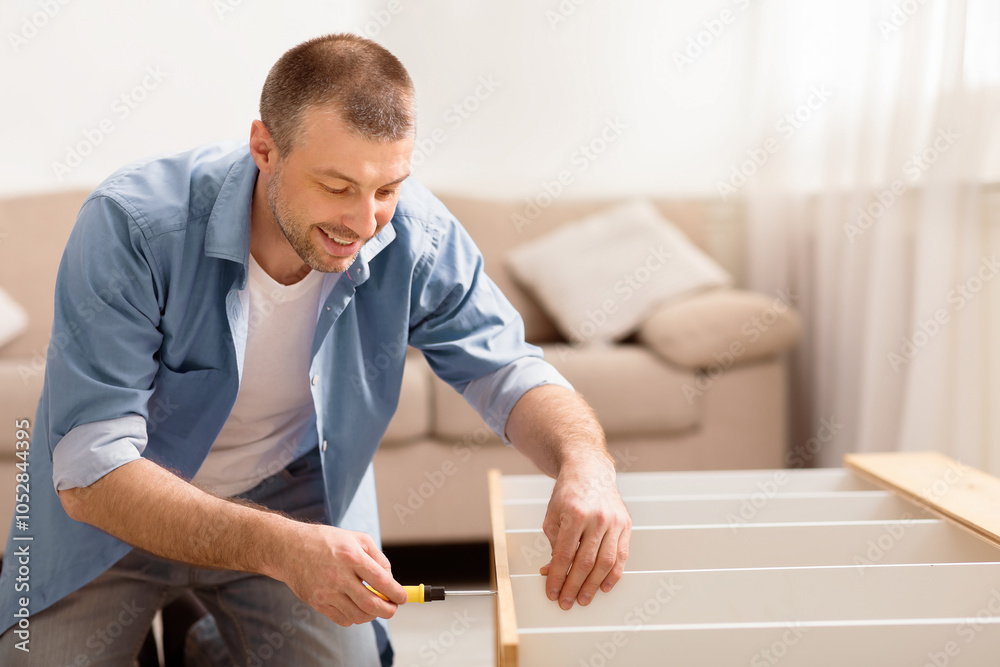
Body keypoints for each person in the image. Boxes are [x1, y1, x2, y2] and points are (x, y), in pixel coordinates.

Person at [0, 33, 631, 665]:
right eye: (335, 186)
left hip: (289, 502)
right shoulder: (133, 224)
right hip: (115, 514)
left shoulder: (416, 235)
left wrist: (587, 464)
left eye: (387, 189)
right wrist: (280, 549)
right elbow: (91, 468)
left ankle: (205, 644)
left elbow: (507, 369)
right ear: (264, 148)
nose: (365, 222)